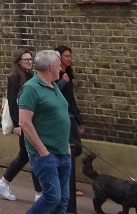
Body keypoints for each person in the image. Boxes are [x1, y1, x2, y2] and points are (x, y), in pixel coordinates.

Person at [18, 49, 72, 214]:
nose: (61, 68)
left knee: (63, 200)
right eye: (58, 65)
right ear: (50, 67)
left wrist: (67, 148)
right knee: (52, 197)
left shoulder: (54, 86)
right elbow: (24, 122)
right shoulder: (31, 88)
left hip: (63, 152)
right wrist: (43, 152)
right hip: (46, 154)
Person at [0, 47, 43, 202]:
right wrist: (17, 124)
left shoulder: (30, 75)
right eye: (26, 59)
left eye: (30, 59)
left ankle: (3, 183)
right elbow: (12, 101)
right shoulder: (15, 77)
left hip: (30, 121)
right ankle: (39, 193)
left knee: (24, 155)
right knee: (33, 155)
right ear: (18, 62)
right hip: (24, 123)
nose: (29, 62)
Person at [55, 45, 85, 211]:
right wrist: (63, 82)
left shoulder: (68, 74)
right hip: (61, 117)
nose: (70, 59)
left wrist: (79, 120)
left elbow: (71, 99)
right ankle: (67, 185)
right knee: (70, 150)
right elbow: (53, 93)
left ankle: (66, 182)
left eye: (70, 56)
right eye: (66, 56)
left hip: (70, 116)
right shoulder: (56, 75)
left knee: (76, 149)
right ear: (59, 57)